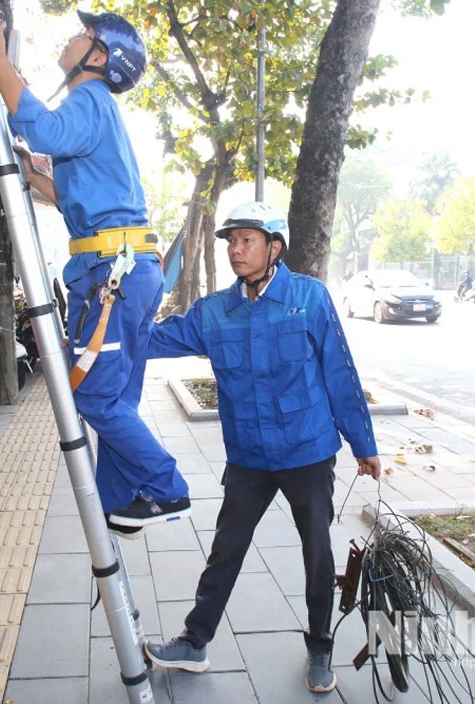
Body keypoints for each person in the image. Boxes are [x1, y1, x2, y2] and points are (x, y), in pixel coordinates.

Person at [0, 11, 189, 533]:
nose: (73, 37)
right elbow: (73, 195)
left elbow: (45, 129)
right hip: (123, 268)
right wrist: (32, 174)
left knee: (92, 395)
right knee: (117, 398)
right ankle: (122, 500)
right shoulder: (99, 112)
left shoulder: (89, 100)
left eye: (84, 35)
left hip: (113, 274)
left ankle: (166, 488)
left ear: (100, 57)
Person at [142, 202, 382, 693]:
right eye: (231, 241)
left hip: (307, 453)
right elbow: (153, 341)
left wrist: (363, 443)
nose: (235, 249)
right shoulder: (215, 312)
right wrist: (107, 324)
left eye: (246, 240)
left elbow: (340, 372)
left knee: (316, 553)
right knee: (225, 548)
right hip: (250, 457)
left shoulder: (309, 299)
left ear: (274, 247)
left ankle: (320, 648)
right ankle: (195, 641)